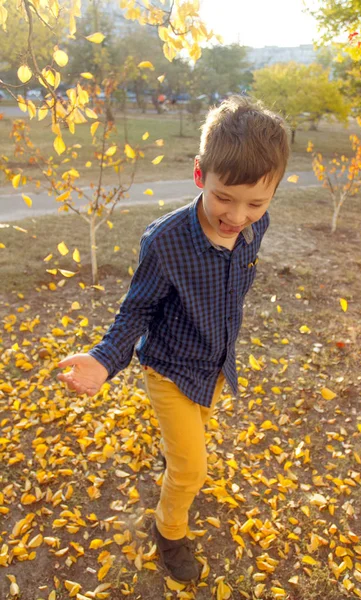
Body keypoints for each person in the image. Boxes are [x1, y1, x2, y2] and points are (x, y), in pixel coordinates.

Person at [57, 95, 291, 584]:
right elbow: (137, 308)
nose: (238, 215)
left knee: (192, 440)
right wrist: (104, 359)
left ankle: (176, 452)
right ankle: (169, 531)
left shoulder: (255, 226)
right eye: (225, 197)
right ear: (200, 175)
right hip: (168, 368)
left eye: (256, 202)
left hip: (216, 363)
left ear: (272, 193)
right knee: (191, 470)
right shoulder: (165, 241)